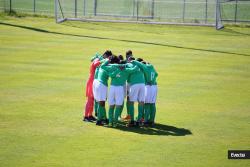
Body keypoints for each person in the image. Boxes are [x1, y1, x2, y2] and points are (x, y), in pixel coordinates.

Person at [101, 56, 139, 127]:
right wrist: (134, 62)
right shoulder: (127, 69)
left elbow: (102, 66)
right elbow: (135, 68)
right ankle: (115, 123)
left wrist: (108, 61)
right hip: (120, 89)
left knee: (111, 106)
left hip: (112, 88)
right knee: (118, 106)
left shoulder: (113, 67)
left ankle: (110, 122)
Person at [132, 60, 158, 126]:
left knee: (147, 104)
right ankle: (152, 120)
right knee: (152, 104)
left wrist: (133, 61)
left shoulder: (145, 68)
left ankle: (145, 121)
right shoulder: (152, 68)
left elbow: (140, 64)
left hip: (149, 87)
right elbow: (157, 74)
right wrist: (152, 80)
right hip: (154, 86)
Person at [92, 50, 113, 125]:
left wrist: (102, 58)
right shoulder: (109, 66)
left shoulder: (103, 62)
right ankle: (99, 120)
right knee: (102, 102)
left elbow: (93, 60)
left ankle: (104, 118)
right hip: (101, 84)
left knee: (100, 102)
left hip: (96, 82)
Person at [126, 57, 146, 127]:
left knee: (131, 102)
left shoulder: (128, 64)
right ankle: (139, 120)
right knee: (141, 102)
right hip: (142, 85)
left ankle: (132, 121)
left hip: (134, 84)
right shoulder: (140, 65)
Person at [83, 52, 103, 122]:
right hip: (91, 81)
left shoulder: (97, 59)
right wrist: (103, 60)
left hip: (93, 81)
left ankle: (90, 115)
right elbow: (95, 64)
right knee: (89, 100)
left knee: (92, 100)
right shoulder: (97, 59)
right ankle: (85, 116)